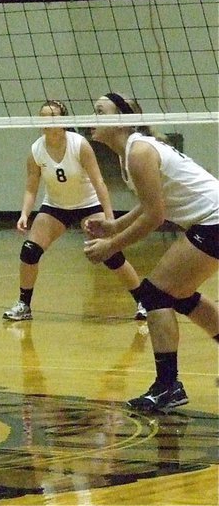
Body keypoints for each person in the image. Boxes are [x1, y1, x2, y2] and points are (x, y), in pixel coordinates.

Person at [84, 93, 218, 413]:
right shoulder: (130, 152)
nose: (91, 117)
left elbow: (155, 217)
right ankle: (169, 385)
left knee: (155, 294)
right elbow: (150, 204)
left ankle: (168, 387)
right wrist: (114, 227)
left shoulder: (139, 151)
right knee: (179, 295)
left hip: (214, 222)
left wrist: (111, 246)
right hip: (211, 221)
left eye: (99, 111)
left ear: (121, 119)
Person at [3, 100, 147, 322]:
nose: (47, 122)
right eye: (43, 117)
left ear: (64, 121)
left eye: (52, 117)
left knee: (110, 254)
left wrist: (110, 219)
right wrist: (25, 214)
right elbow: (31, 187)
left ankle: (143, 302)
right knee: (29, 251)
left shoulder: (79, 144)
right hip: (55, 206)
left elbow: (99, 182)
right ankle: (24, 305)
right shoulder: (36, 150)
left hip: (88, 206)